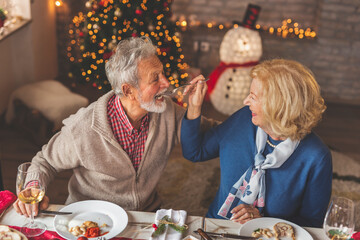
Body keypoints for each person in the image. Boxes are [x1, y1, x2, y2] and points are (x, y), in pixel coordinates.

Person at [13, 36, 213, 218]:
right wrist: (33, 188)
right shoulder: (83, 128)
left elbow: (209, 132)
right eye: (155, 78)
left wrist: (199, 108)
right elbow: (45, 161)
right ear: (128, 90)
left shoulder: (167, 111)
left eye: (162, 74)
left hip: (145, 217)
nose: (166, 83)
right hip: (91, 220)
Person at [181, 59, 332, 228]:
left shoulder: (316, 157)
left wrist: (262, 221)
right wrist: (194, 106)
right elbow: (195, 151)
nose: (246, 101)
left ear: (277, 106)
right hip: (217, 228)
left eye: (253, 97)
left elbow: (312, 224)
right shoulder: (244, 119)